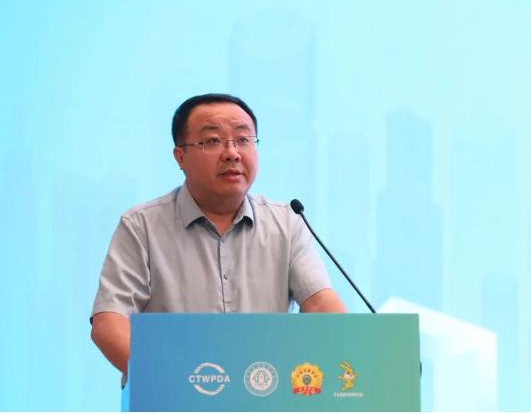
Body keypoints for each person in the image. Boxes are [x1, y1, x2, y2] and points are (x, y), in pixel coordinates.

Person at [90, 93, 346, 377]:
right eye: (212, 141)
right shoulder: (141, 226)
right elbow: (109, 323)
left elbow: (322, 305)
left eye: (243, 139)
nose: (232, 153)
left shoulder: (287, 222)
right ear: (180, 157)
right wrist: (172, 381)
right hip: (170, 395)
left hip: (266, 391)